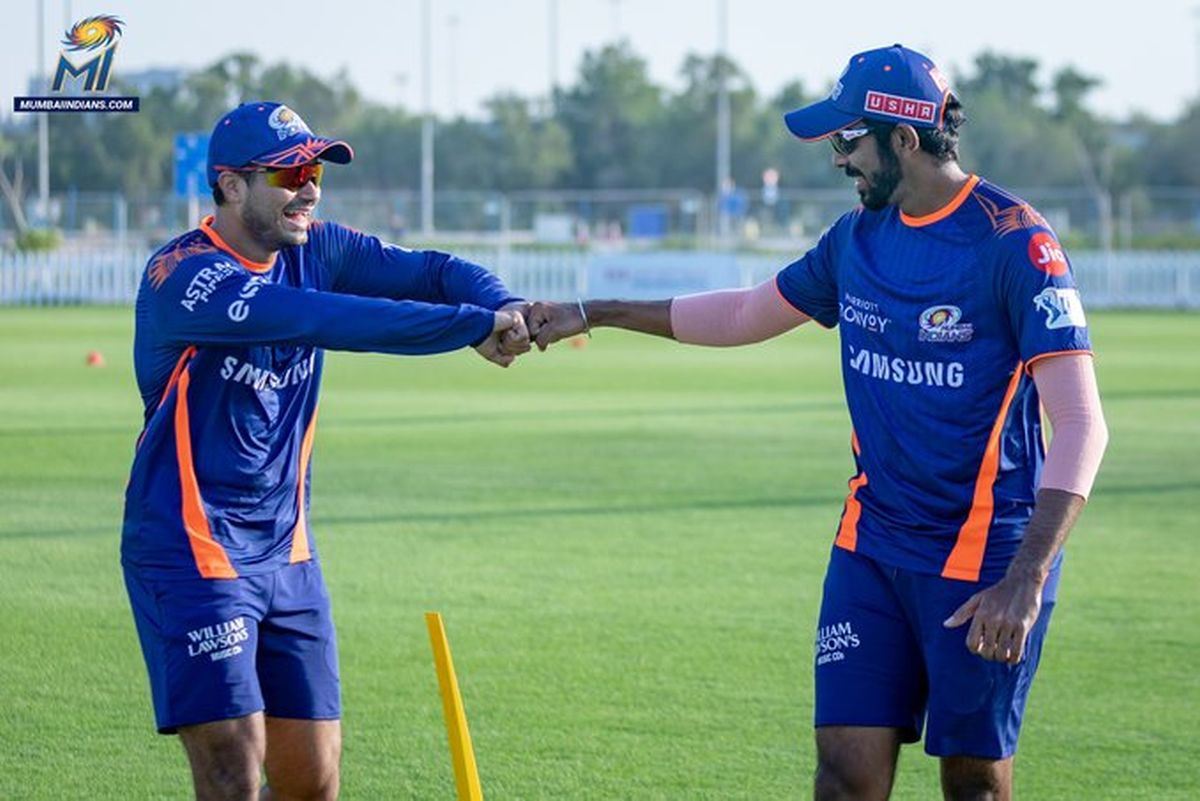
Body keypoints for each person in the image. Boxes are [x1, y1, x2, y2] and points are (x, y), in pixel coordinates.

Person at [527, 44, 1109, 801]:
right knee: (843, 778)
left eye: (848, 140)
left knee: (974, 787)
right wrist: (593, 311)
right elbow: (742, 312)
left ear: (904, 138)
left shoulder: (1014, 243)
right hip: (871, 547)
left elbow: (1083, 424)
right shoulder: (855, 239)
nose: (839, 160)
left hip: (985, 562)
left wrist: (1025, 580)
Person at [121, 101, 529, 800]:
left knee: (313, 781)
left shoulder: (320, 249)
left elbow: (432, 270)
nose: (308, 187)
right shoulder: (185, 277)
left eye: (314, 169)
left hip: (289, 553)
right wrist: (472, 326)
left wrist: (506, 303)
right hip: (192, 549)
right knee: (232, 766)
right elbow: (325, 318)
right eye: (288, 172)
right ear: (229, 186)